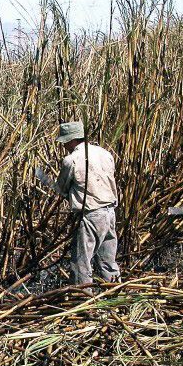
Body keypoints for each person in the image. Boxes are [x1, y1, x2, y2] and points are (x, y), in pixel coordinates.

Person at [53, 121, 120, 284]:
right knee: (107, 261)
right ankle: (115, 294)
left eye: (65, 142)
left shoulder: (71, 160)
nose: (64, 146)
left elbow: (61, 187)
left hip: (92, 216)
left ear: (72, 140)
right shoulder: (105, 154)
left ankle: (82, 300)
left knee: (81, 262)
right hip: (110, 213)